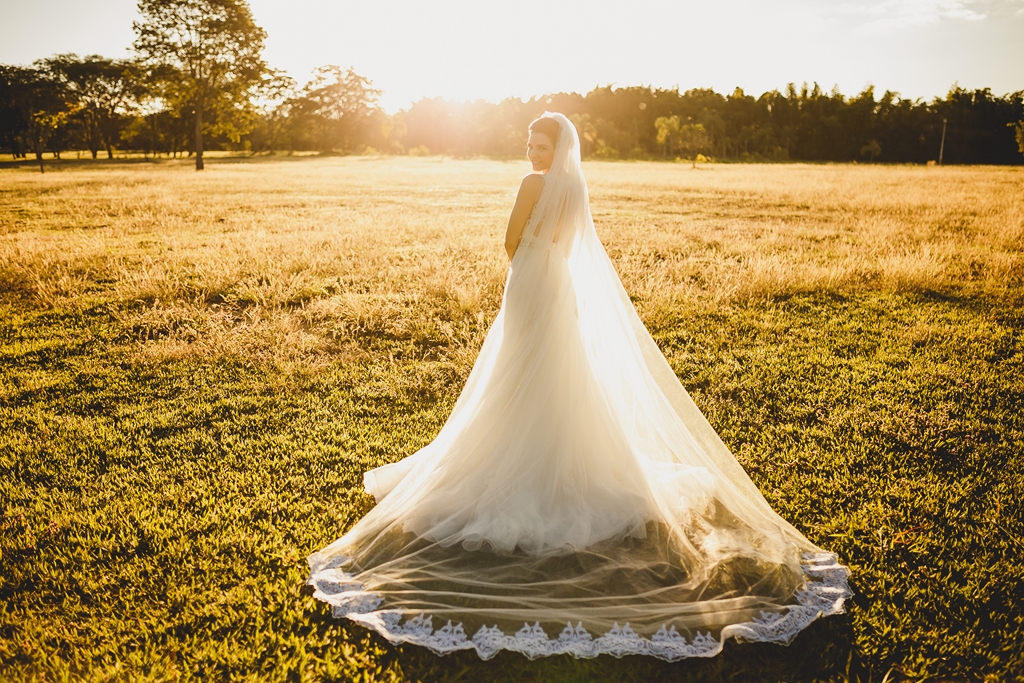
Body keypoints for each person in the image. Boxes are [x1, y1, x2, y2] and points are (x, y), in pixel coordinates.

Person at [307, 112, 850, 661]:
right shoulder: (574, 185)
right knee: (556, 372)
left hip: (531, 280)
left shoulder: (534, 185)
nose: (531, 153)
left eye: (539, 144)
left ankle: (515, 459)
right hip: (557, 280)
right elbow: (568, 245)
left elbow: (512, 240)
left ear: (556, 145)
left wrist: (524, 272)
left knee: (517, 371)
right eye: (528, 144)